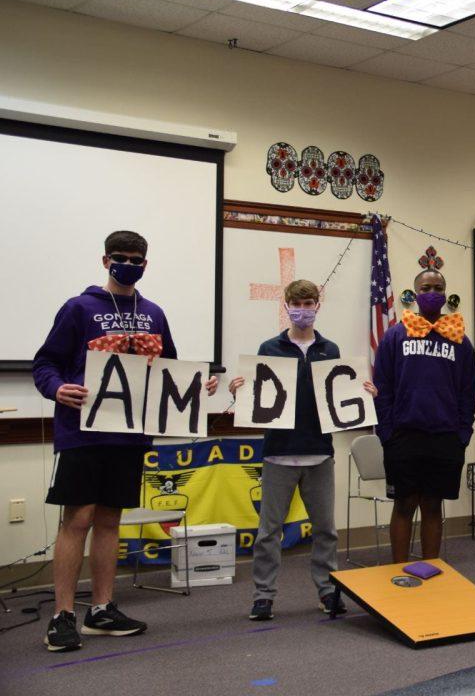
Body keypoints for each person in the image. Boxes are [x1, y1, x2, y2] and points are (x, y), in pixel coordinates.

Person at [33, 230, 218, 652]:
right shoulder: (78, 307)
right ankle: (62, 615)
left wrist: (197, 383)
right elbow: (46, 362)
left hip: (130, 436)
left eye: (135, 258)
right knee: (77, 519)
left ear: (145, 264)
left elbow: (170, 366)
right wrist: (57, 388)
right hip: (82, 432)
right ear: (105, 261)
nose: (127, 263)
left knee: (111, 521)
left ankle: (101, 609)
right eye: (120, 257)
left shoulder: (153, 312)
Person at [230, 279, 375, 621]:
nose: (303, 309)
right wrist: (240, 390)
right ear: (287, 305)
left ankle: (327, 590)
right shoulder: (270, 347)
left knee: (326, 529)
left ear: (317, 306)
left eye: (309, 303)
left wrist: (362, 392)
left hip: (319, 453)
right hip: (279, 452)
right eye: (297, 303)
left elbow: (339, 397)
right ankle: (263, 595)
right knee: (269, 532)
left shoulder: (330, 349)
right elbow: (258, 396)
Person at [373, 266, 475, 562]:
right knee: (404, 504)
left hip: (445, 438)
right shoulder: (395, 336)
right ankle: (398, 571)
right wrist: (387, 433)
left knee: (433, 505)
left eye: (438, 288)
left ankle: (432, 576)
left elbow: (468, 391)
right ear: (415, 293)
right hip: (403, 436)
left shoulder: (461, 341)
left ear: (445, 295)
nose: (432, 293)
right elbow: (383, 387)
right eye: (426, 288)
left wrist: (462, 434)